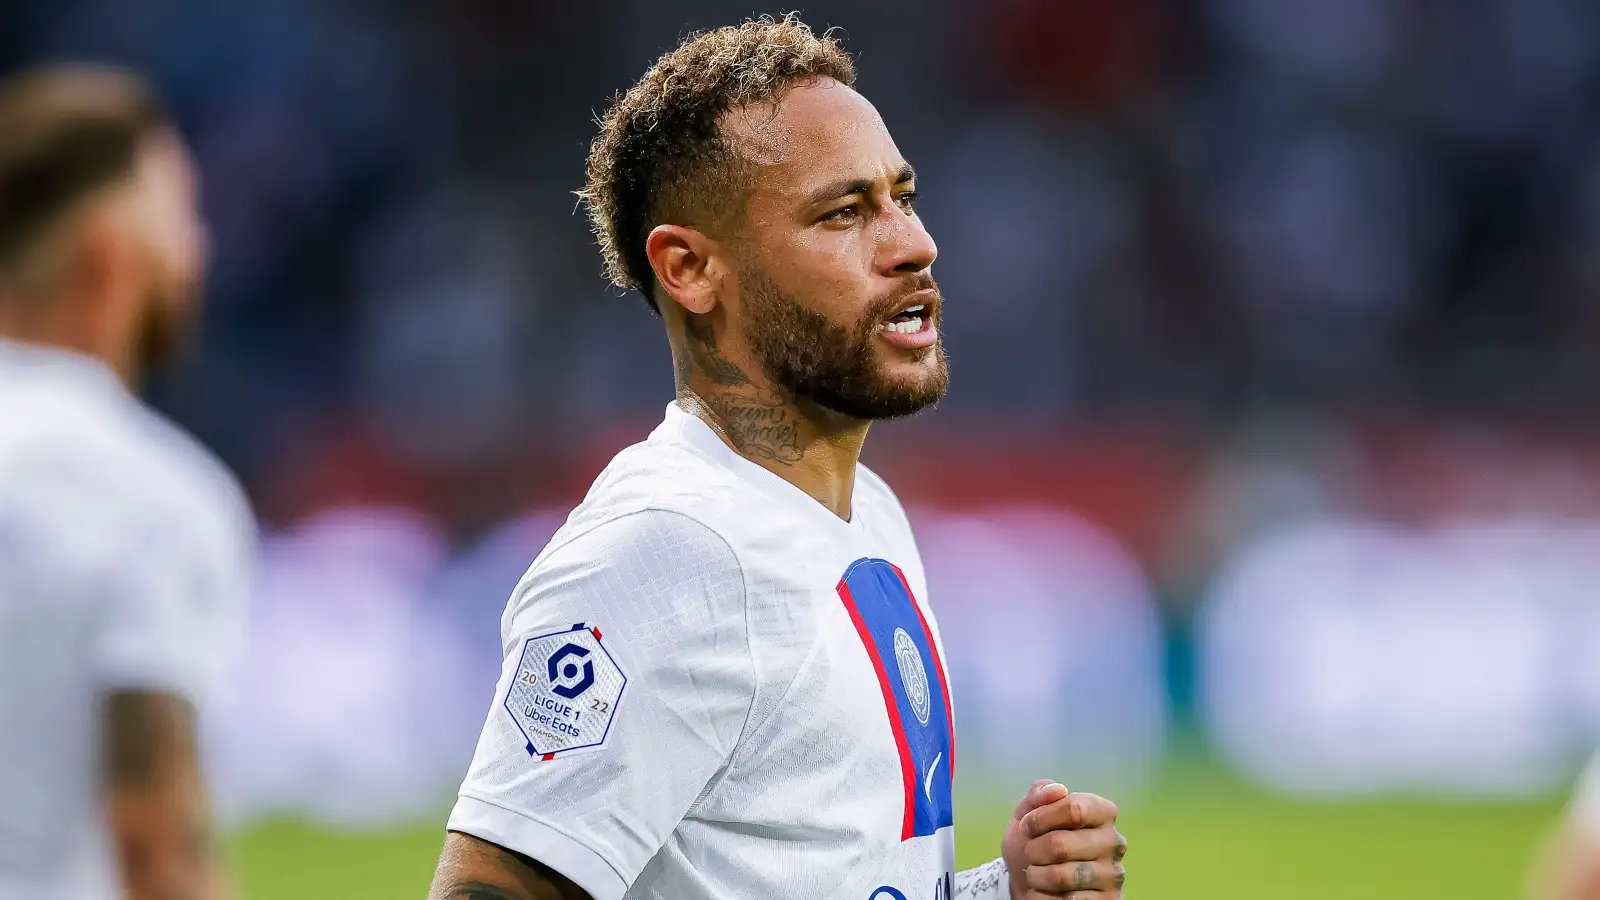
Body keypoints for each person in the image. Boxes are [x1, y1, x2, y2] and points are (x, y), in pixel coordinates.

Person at [429, 16, 1126, 900]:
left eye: (901, 197)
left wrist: (1000, 892)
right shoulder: (665, 550)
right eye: (843, 214)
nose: (913, 243)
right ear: (688, 268)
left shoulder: (863, 511)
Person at [0, 65, 253, 900]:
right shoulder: (151, 499)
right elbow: (156, 843)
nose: (197, 252)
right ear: (111, 253)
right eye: (183, 215)